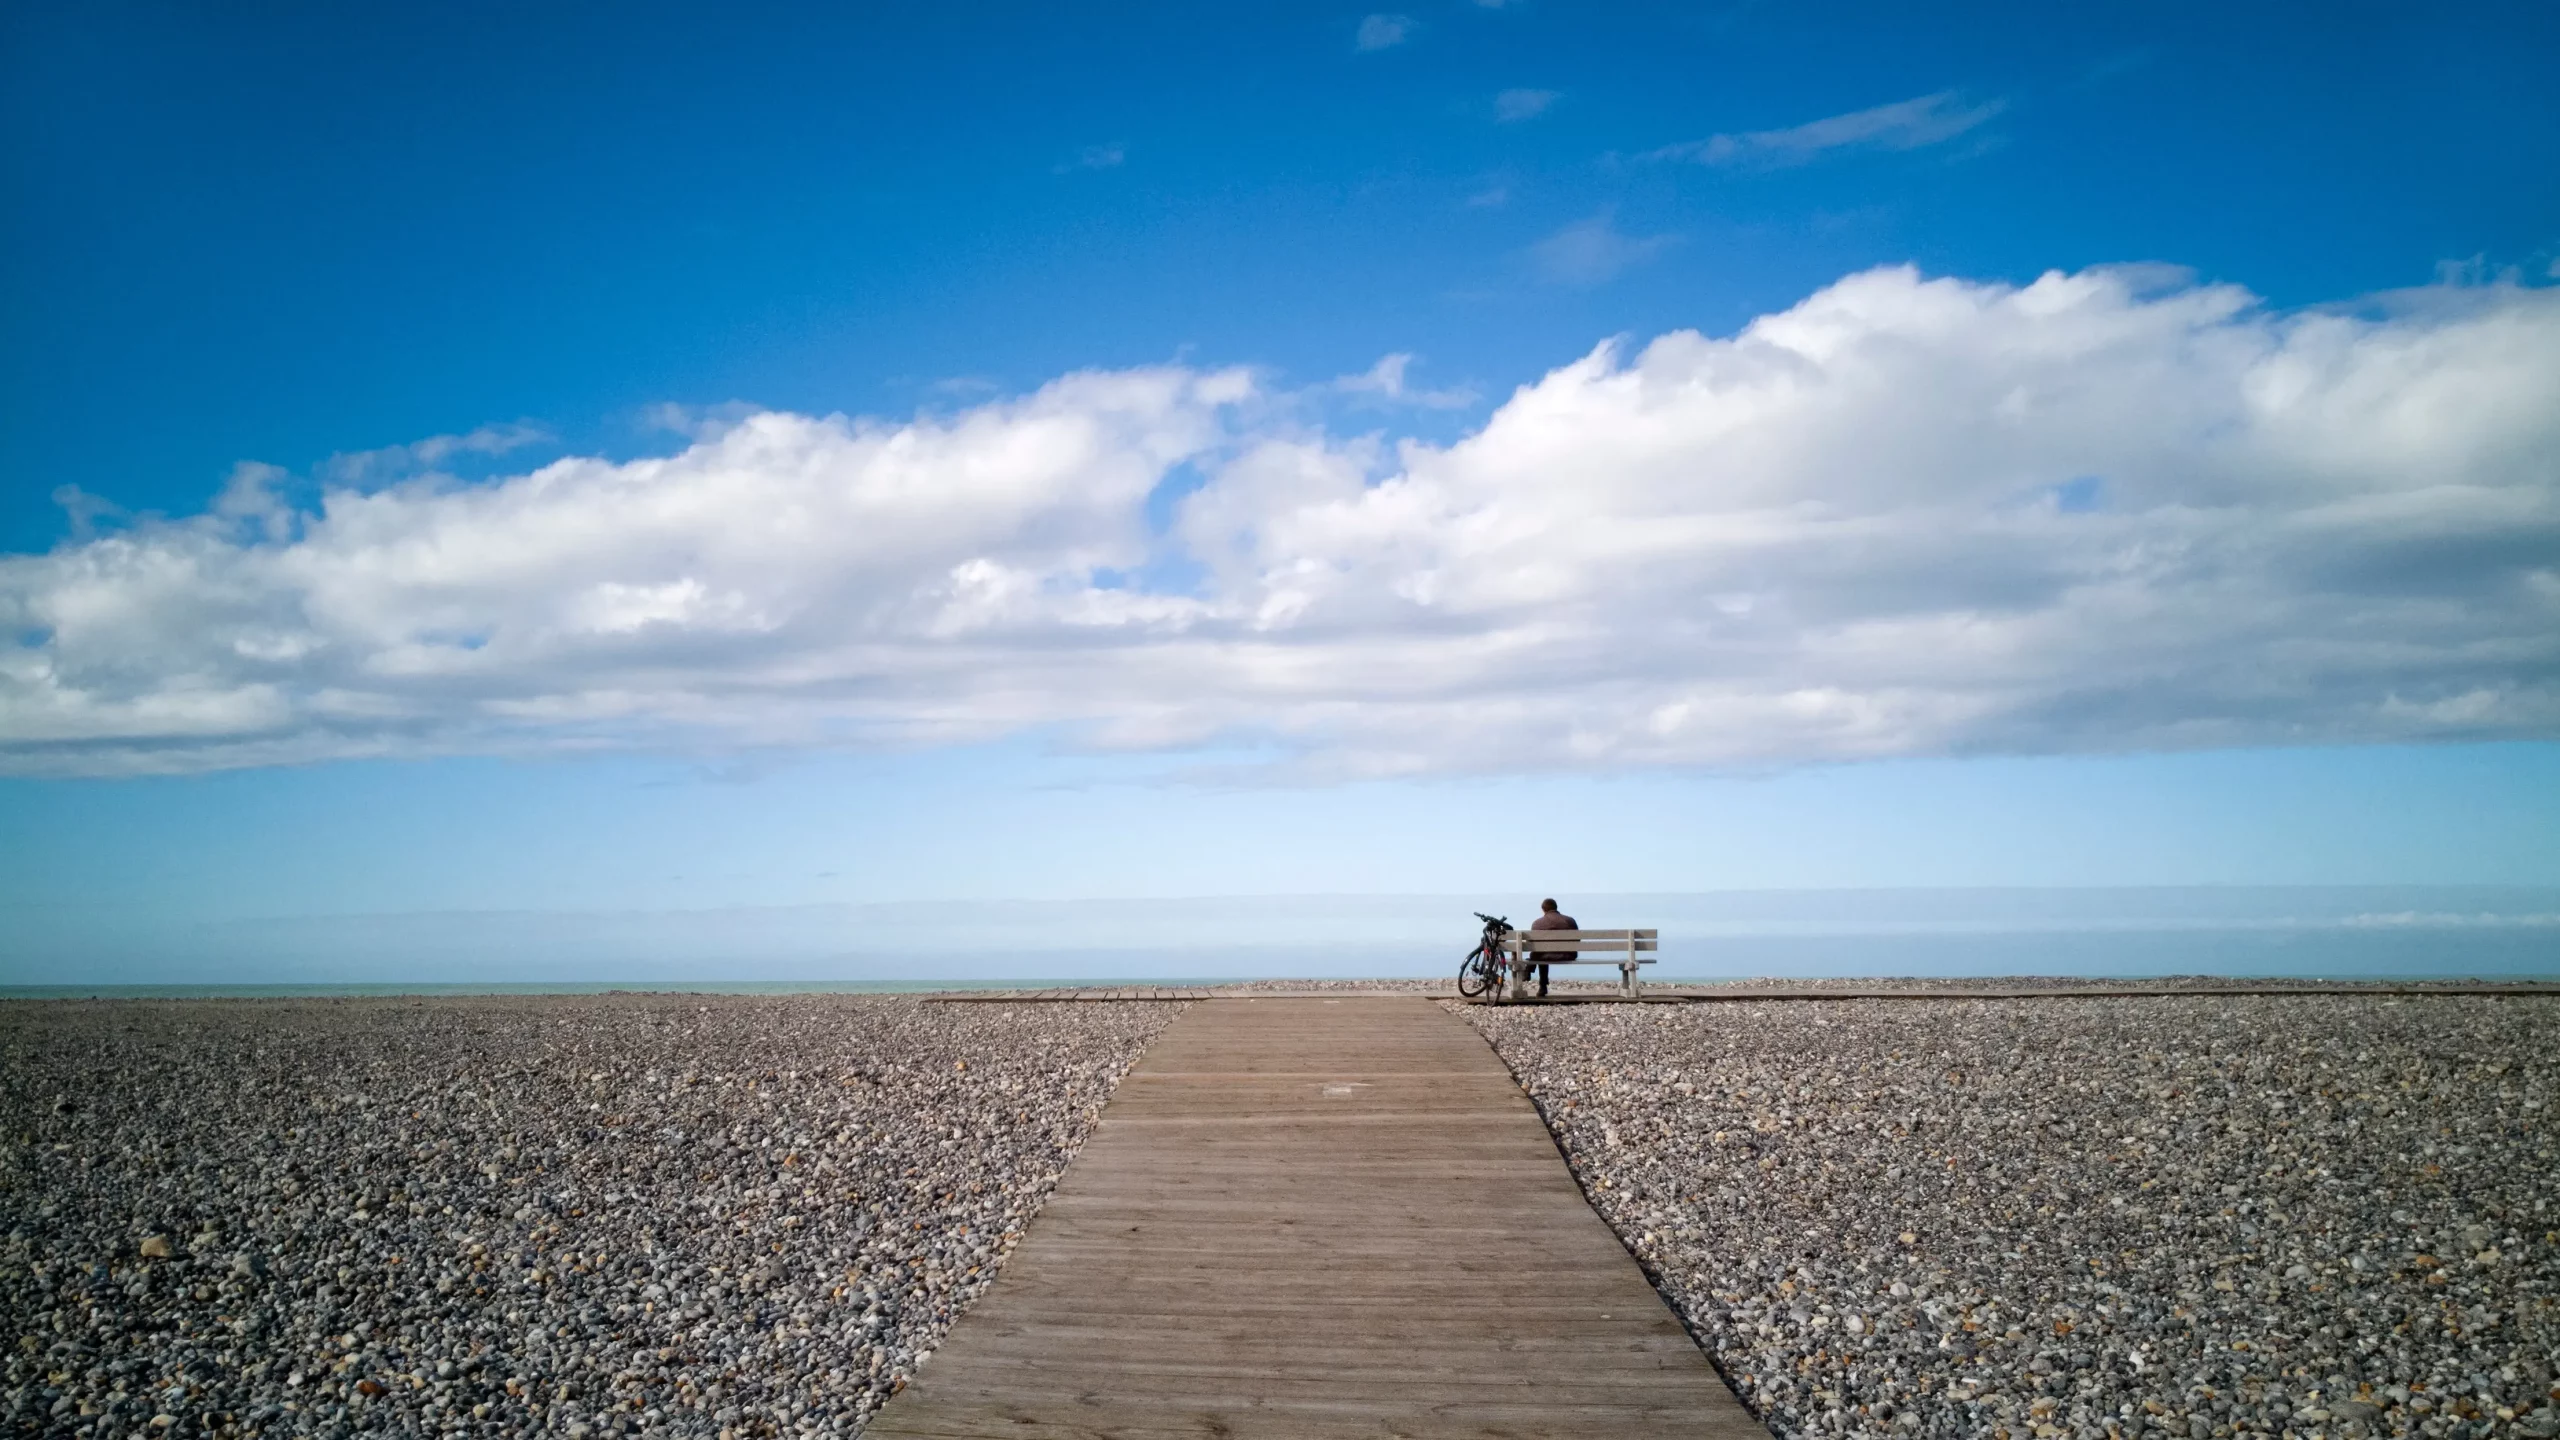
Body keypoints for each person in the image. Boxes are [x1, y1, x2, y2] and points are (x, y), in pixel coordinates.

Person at [1522, 898, 1578, 999]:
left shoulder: (1537, 923)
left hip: (1544, 956)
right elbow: (1577, 940)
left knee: (1539, 953)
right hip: (1568, 955)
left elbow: (1532, 944)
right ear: (1556, 907)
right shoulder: (1570, 921)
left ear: (1543, 910)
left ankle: (1540, 984)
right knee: (1540, 953)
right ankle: (1531, 968)